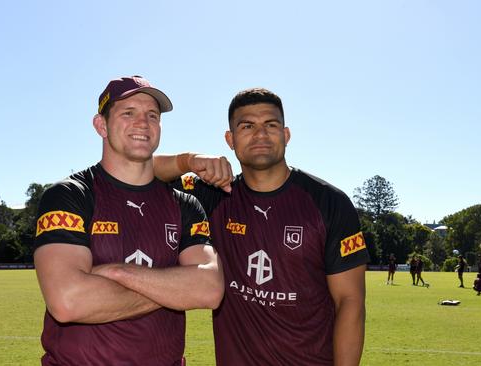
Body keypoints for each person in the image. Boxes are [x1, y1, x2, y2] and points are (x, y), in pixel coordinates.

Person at [156, 88, 369, 365]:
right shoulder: (214, 195)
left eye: (271, 124)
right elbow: (137, 173)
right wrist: (188, 161)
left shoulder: (329, 202)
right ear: (230, 140)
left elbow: (349, 302)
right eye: (247, 126)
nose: (260, 134)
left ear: (286, 135)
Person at [33, 76, 226, 365]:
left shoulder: (185, 205)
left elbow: (209, 289)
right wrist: (177, 289)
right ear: (101, 125)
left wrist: (117, 273)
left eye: (152, 115)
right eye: (128, 113)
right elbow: (68, 301)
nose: (143, 123)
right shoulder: (70, 196)